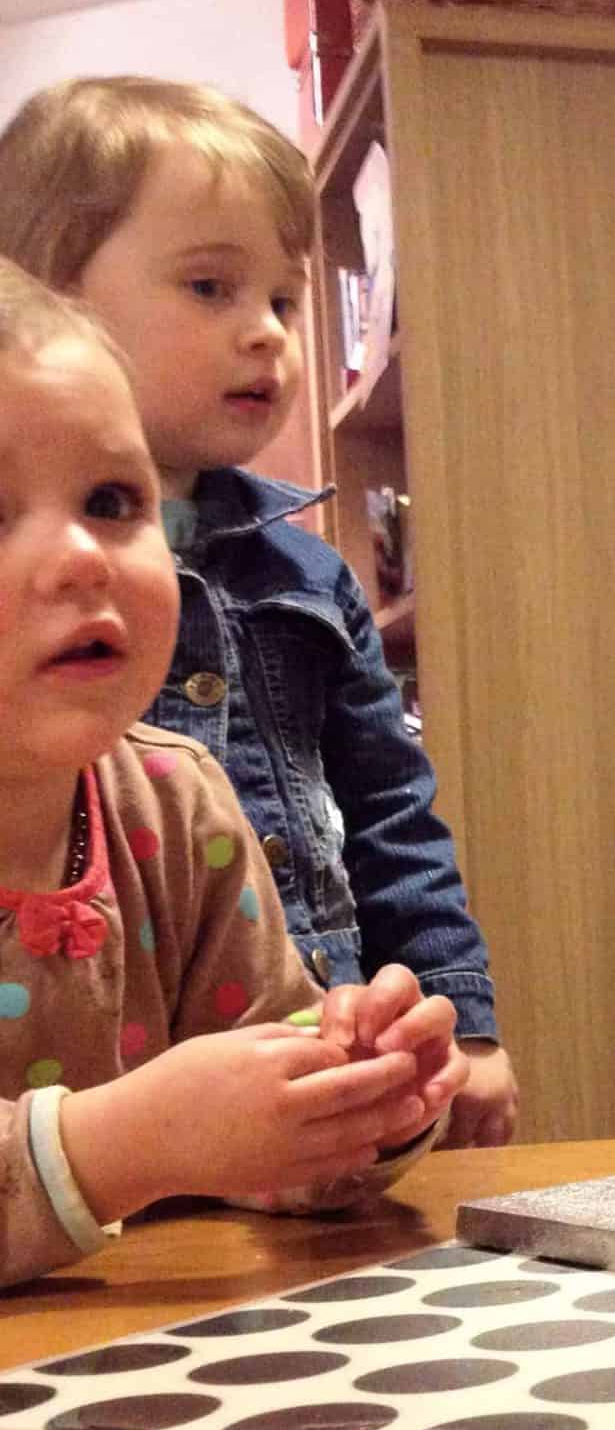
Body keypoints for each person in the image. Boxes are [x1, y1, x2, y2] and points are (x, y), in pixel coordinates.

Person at [0, 76, 516, 1147]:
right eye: (208, 286)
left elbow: (392, 817)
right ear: (50, 298)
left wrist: (430, 1033)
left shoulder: (306, 586)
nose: (269, 334)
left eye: (284, 299)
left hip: (276, 1047)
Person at [0, 259, 468, 1284]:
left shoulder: (178, 799)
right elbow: (161, 1137)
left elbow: (252, 1131)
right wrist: (122, 1143)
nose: (82, 556)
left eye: (114, 499)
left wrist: (358, 1094)